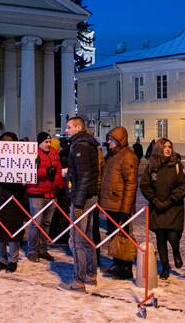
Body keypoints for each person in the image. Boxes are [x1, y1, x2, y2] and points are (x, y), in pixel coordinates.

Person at [58, 117, 100, 293]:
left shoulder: (81, 146)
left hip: (82, 198)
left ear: (77, 127)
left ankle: (78, 281)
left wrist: (78, 203)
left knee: (76, 241)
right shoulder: (87, 143)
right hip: (90, 196)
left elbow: (84, 178)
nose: (66, 130)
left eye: (69, 127)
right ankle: (90, 274)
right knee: (88, 238)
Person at [141, 138, 185, 280]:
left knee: (173, 236)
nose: (168, 149)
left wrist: (170, 200)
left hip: (174, 207)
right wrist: (154, 200)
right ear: (158, 149)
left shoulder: (177, 165)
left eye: (170, 146)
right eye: (165, 147)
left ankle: (176, 251)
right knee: (161, 238)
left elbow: (182, 186)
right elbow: (144, 185)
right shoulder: (151, 166)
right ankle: (165, 267)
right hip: (157, 208)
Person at [99, 126, 139, 280]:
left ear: (120, 140)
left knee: (123, 236)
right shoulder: (114, 155)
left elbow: (130, 185)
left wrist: (125, 209)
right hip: (111, 204)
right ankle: (117, 263)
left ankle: (125, 268)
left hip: (120, 205)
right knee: (114, 236)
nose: (108, 141)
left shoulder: (128, 156)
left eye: (111, 139)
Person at [0, 132, 27, 273]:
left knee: (13, 230)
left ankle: (13, 260)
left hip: (13, 198)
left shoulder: (21, 159)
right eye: (3, 142)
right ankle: (1, 259)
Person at [26, 131, 64, 262]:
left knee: (46, 224)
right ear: (39, 143)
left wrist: (59, 185)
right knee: (36, 224)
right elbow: (29, 171)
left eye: (49, 141)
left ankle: (43, 249)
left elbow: (58, 170)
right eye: (45, 142)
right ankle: (32, 250)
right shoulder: (33, 153)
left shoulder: (54, 152)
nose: (48, 144)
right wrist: (45, 172)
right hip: (37, 193)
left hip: (52, 193)